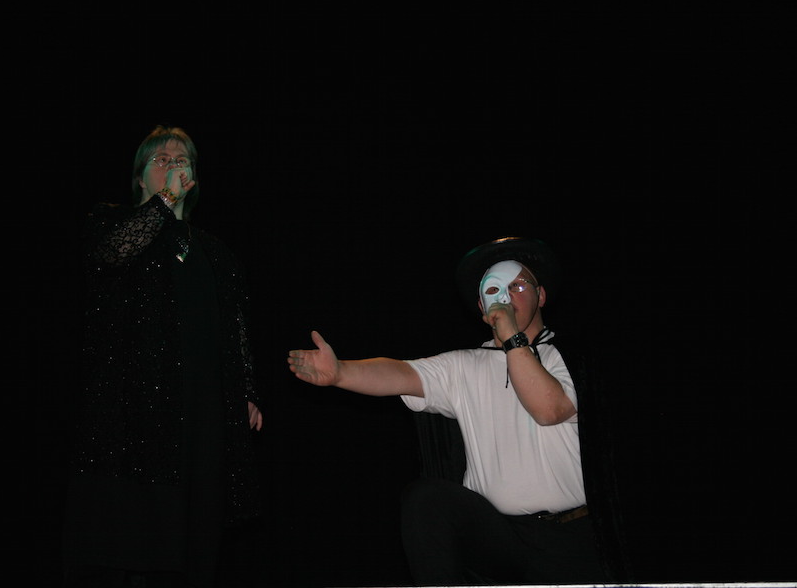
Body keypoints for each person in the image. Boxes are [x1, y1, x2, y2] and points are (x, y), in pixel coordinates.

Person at [287, 236, 629, 585]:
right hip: (501, 537)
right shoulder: (466, 365)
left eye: (517, 285)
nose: (506, 297)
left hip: (573, 536)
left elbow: (549, 410)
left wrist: (512, 338)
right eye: (494, 290)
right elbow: (401, 374)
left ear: (540, 295)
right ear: (482, 307)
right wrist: (341, 372)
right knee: (427, 500)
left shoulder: (569, 358)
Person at [62, 124, 264, 587]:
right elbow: (112, 255)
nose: (173, 165)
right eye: (161, 159)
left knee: (196, 529)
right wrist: (164, 202)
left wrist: (247, 390)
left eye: (182, 160)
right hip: (133, 405)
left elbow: (234, 323)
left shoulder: (215, 249)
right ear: (140, 177)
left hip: (202, 407)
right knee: (134, 533)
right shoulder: (113, 222)